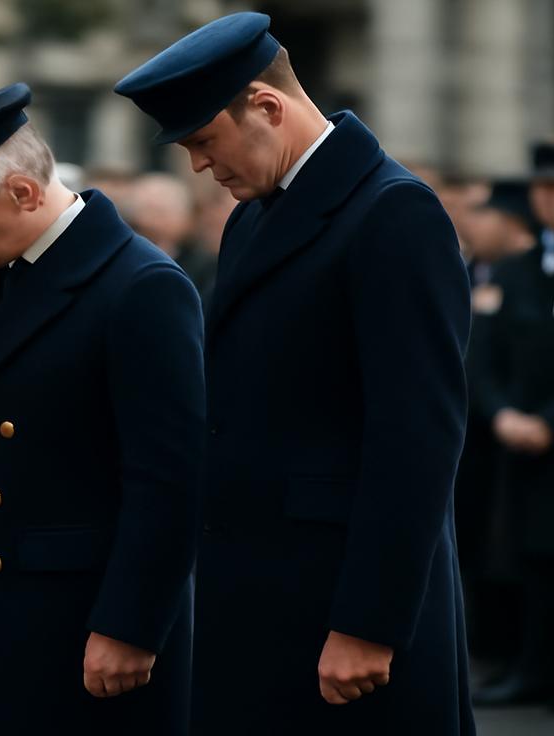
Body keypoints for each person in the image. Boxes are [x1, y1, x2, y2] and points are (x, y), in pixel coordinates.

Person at [115, 12, 474, 734]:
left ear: (267, 107)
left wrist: (369, 623)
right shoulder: (256, 215)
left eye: (204, 140)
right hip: (255, 592)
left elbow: (417, 436)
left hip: (341, 608)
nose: (197, 166)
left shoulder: (392, 211)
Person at [0, 83, 205, 735]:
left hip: (77, 627)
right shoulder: (3, 272)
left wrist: (131, 625)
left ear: (22, 192)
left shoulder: (141, 286)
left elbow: (169, 480)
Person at [470, 142, 554, 714]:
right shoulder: (518, 272)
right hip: (523, 444)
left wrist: (553, 423)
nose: (548, 197)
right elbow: (484, 358)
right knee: (535, 563)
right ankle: (535, 670)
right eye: (542, 188)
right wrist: (503, 415)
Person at [457, 180, 538, 665]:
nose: (472, 222)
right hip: (486, 424)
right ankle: (496, 649)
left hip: (519, 431)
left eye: (482, 214)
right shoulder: (480, 271)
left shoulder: (515, 275)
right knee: (485, 546)